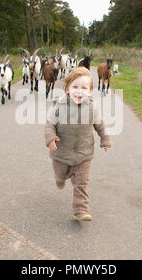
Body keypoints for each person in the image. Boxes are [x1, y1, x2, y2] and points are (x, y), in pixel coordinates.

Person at [45, 67, 112, 221]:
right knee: (61, 174)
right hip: (61, 153)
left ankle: (80, 210)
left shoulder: (92, 108)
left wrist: (105, 139)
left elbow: (100, 125)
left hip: (84, 154)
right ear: (67, 89)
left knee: (81, 183)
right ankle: (60, 179)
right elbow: (49, 125)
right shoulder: (59, 106)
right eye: (75, 87)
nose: (79, 91)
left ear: (90, 91)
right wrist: (50, 138)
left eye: (84, 88)